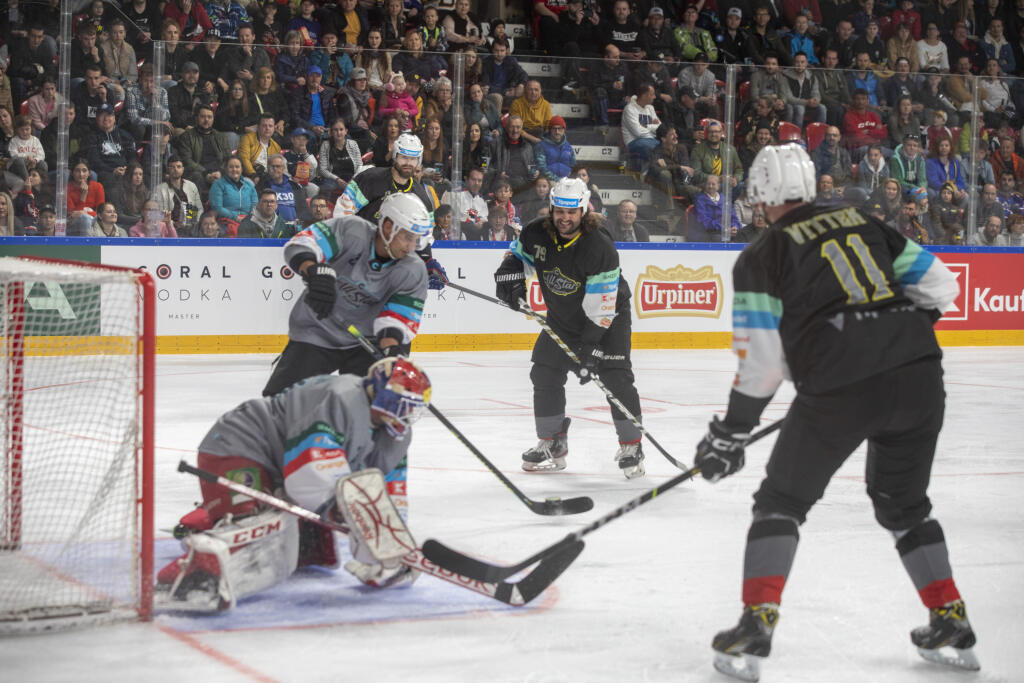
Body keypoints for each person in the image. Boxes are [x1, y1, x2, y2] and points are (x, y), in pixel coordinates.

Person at [695, 143, 977, 682]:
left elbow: (763, 365)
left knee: (780, 502)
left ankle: (755, 629)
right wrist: (891, 339)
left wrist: (730, 434)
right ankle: (951, 622)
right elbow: (942, 284)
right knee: (904, 505)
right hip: (920, 377)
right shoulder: (865, 222)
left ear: (759, 194)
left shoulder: (762, 255)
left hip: (840, 390)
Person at [155, 358, 432, 610]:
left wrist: (392, 543)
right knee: (264, 539)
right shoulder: (343, 397)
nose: (405, 414)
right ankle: (194, 575)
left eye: (412, 407)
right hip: (239, 446)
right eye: (401, 403)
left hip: (280, 467)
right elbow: (308, 470)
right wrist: (347, 512)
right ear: (379, 392)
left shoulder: (396, 435)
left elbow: (388, 493)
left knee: (303, 550)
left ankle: (203, 520)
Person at [494, 177, 645, 480]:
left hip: (609, 319)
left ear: (583, 210)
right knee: (545, 371)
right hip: (563, 319)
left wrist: (590, 348)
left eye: (571, 212)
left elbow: (603, 305)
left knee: (616, 378)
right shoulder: (536, 233)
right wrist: (510, 283)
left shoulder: (598, 244)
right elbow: (516, 259)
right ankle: (552, 442)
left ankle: (632, 446)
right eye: (559, 211)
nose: (564, 218)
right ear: (551, 208)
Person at [262, 193, 432, 397]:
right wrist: (314, 272)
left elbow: (397, 319)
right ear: (388, 226)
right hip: (317, 331)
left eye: (415, 240)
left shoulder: (413, 269)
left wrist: (391, 352)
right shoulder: (353, 231)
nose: (411, 246)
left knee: (370, 409)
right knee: (279, 404)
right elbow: (304, 245)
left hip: (366, 343)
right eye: (407, 237)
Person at [174, 104, 233, 192]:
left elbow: (228, 158)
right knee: (197, 176)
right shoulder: (187, 136)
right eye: (203, 117)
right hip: (199, 171)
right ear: (197, 118)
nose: (206, 120)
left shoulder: (220, 136)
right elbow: (186, 160)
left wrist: (221, 172)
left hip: (218, 171)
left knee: (235, 171)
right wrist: (206, 174)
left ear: (213, 119)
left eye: (209, 117)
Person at [257, 154, 313, 231]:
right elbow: (258, 209)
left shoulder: (294, 186)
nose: (275, 169)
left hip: (294, 227)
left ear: (283, 168)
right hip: (272, 228)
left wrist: (299, 221)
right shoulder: (262, 185)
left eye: (278, 166)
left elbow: (304, 210)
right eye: (272, 166)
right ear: (268, 168)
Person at [154, 155, 203, 236]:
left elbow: (199, 209)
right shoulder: (159, 189)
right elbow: (156, 213)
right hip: (168, 230)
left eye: (178, 166)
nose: (176, 169)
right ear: (168, 169)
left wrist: (189, 220)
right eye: (172, 167)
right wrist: (173, 223)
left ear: (183, 169)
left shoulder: (191, 186)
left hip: (190, 229)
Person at [209, 157, 258, 230]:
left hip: (248, 221)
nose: (234, 169)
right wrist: (235, 217)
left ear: (241, 169)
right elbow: (217, 207)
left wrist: (248, 218)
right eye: (231, 167)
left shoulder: (249, 185)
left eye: (237, 167)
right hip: (225, 223)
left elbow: (255, 204)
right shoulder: (218, 184)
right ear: (226, 169)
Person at [509, 80, 552, 145]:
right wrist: (534, 139)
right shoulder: (516, 104)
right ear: (525, 90)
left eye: (536, 90)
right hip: (521, 133)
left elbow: (548, 125)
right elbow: (515, 127)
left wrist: (546, 140)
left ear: (540, 91)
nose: (533, 92)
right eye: (530, 89)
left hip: (540, 134)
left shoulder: (546, 104)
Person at [536, 116, 575, 182]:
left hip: (566, 182)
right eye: (554, 128)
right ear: (550, 130)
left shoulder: (568, 146)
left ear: (564, 129)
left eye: (559, 128)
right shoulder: (541, 145)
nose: (557, 131)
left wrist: (568, 179)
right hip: (548, 182)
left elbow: (573, 165)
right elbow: (541, 167)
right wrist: (557, 180)